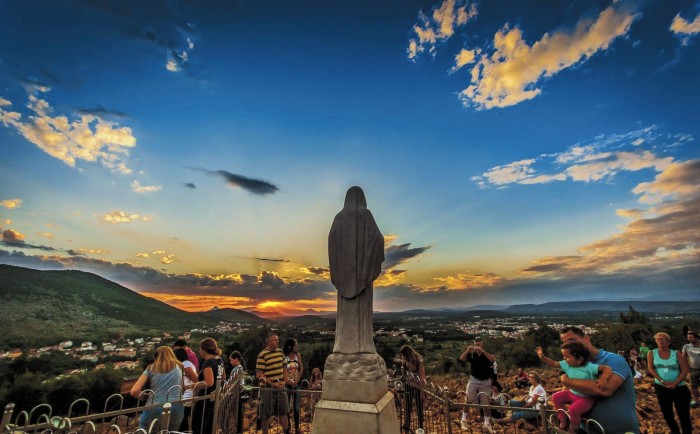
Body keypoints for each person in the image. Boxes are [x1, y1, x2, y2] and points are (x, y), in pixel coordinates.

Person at [328, 186, 384, 354]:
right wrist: (366, 266)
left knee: (345, 316)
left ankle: (343, 348)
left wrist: (341, 269)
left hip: (343, 277)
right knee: (362, 316)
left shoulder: (338, 218)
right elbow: (378, 239)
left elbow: (332, 242)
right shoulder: (366, 215)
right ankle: (362, 348)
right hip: (363, 279)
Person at [558, 326, 639, 434]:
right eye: (565, 343)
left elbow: (604, 390)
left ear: (586, 339)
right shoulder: (574, 365)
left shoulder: (613, 360)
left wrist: (566, 380)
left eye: (572, 340)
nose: (570, 346)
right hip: (586, 428)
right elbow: (568, 394)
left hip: (618, 430)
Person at [537, 343, 612, 432]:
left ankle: (574, 427)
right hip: (571, 393)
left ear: (579, 359)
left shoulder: (589, 367)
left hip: (586, 398)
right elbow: (553, 363)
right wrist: (542, 357)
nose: (564, 358)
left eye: (567, 356)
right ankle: (563, 419)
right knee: (555, 397)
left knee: (573, 409)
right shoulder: (567, 364)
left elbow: (606, 368)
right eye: (563, 356)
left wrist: (603, 378)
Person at [130, 346, 185, 432]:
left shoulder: (151, 368)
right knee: (171, 432)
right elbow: (182, 388)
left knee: (146, 430)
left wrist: (144, 396)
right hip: (177, 406)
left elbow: (134, 391)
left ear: (157, 357)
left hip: (155, 405)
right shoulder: (180, 366)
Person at [648, 332, 692, 434]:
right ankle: (675, 431)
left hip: (679, 388)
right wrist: (662, 381)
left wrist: (675, 383)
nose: (660, 341)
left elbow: (685, 370)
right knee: (667, 414)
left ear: (668, 342)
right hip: (661, 387)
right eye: (658, 339)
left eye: (662, 339)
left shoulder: (676, 353)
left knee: (683, 415)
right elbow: (651, 369)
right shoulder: (652, 353)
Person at [458, 337, 496, 433]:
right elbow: (461, 358)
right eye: (476, 344)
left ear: (482, 345)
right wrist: (467, 351)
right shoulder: (472, 354)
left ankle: (487, 424)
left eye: (479, 344)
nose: (477, 346)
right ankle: (463, 420)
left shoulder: (486, 354)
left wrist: (483, 351)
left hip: (485, 381)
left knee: (485, 402)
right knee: (468, 400)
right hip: (474, 379)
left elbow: (493, 359)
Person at [256, 333, 290, 434]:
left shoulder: (280, 352)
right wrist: (273, 384)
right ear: (269, 342)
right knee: (265, 415)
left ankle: (286, 432)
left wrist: (285, 380)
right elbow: (259, 374)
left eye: (277, 339)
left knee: (284, 412)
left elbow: (284, 367)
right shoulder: (262, 355)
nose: (278, 341)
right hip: (267, 389)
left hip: (281, 388)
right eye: (275, 340)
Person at [191, 338, 226, 434]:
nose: (199, 351)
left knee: (199, 426)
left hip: (205, 399)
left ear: (204, 350)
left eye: (200, 349)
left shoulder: (208, 363)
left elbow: (209, 382)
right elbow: (223, 377)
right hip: (214, 398)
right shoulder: (219, 360)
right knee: (209, 427)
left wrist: (190, 386)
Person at [399, 344, 426, 430]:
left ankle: (420, 428)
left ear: (408, 354)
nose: (402, 357)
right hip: (408, 386)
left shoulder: (418, 363)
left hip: (418, 387)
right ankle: (407, 425)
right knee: (408, 407)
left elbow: (422, 378)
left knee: (419, 409)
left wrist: (422, 393)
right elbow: (405, 375)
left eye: (403, 355)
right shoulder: (405, 362)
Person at [174, 347, 199, 432]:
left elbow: (196, 379)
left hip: (186, 397)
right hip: (187, 396)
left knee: (182, 421)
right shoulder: (187, 363)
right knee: (183, 420)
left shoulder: (185, 365)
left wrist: (186, 387)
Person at [282, 338, 303, 434]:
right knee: (287, 407)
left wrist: (297, 380)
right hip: (287, 385)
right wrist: (287, 380)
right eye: (295, 345)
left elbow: (301, 369)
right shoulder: (284, 357)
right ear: (290, 346)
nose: (296, 347)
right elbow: (283, 370)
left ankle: (297, 428)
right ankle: (288, 429)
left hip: (297, 384)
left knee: (296, 407)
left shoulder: (297, 355)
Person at [682, 331, 700, 408]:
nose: (689, 339)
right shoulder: (686, 346)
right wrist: (686, 368)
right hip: (693, 368)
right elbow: (683, 357)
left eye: (691, 337)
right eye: (688, 337)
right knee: (693, 385)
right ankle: (696, 401)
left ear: (696, 337)